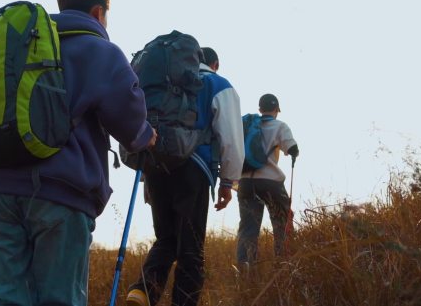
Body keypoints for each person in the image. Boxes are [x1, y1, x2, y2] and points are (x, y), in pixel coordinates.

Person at [0, 0, 157, 306]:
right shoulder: (99, 50)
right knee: (60, 299)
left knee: (4, 300)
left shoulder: (17, 46)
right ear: (98, 12)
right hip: (61, 193)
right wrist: (145, 135)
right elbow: (129, 119)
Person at [127, 46, 244, 306]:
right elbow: (232, 139)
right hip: (195, 169)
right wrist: (228, 182)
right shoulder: (217, 83)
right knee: (191, 248)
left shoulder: (162, 85)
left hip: (156, 166)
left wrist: (147, 180)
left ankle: (142, 291)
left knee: (166, 239)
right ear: (214, 63)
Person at [236, 93, 299, 265]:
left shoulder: (247, 126)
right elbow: (292, 148)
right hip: (271, 182)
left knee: (248, 229)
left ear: (260, 109)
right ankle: (284, 264)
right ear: (277, 109)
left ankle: (245, 270)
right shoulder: (280, 126)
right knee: (282, 223)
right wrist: (294, 152)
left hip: (246, 182)